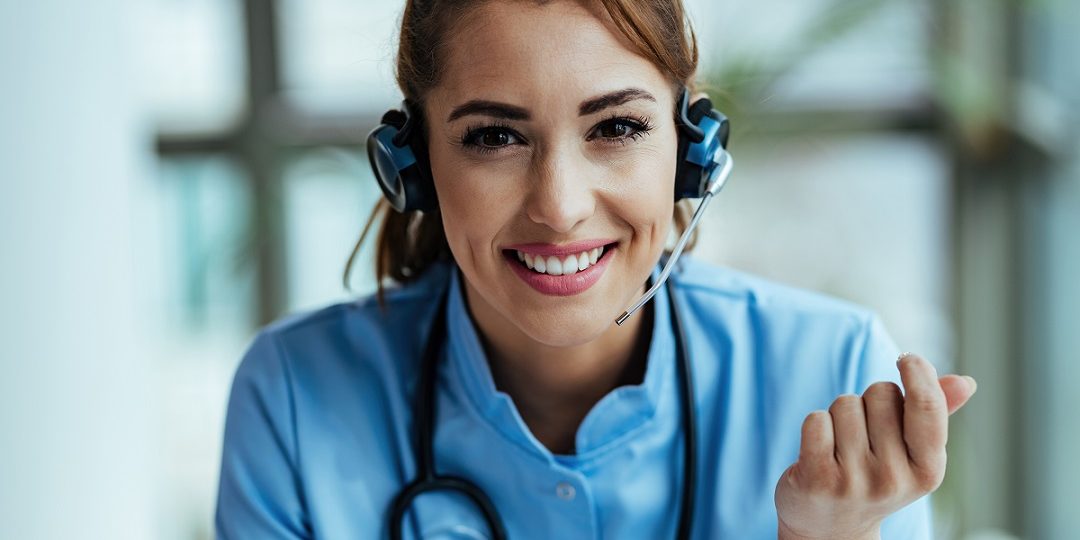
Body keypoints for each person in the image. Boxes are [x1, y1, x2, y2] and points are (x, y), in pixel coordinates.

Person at [215, 0, 977, 538]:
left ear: (693, 155)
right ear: (410, 167)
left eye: (616, 127)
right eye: (493, 138)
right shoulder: (293, 397)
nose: (559, 205)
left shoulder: (833, 372)